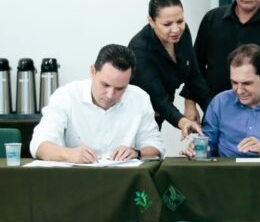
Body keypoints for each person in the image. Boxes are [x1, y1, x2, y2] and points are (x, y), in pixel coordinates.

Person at [30, 44, 164, 163]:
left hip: (124, 178)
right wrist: (68, 154)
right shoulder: (66, 95)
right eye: (105, 85)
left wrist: (137, 153)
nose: (110, 95)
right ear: (93, 71)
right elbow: (39, 145)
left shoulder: (140, 98)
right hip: (74, 178)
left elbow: (155, 147)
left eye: (120, 88)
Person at [185, 44, 260, 158]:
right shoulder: (220, 103)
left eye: (247, 83)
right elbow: (207, 146)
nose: (239, 91)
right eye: (234, 82)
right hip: (226, 174)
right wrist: (197, 150)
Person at [128, 0, 211, 133]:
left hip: (161, 111)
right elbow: (158, 98)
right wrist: (183, 121)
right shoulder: (139, 49)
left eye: (180, 21)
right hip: (137, 117)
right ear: (151, 21)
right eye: (167, 24)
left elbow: (194, 78)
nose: (176, 29)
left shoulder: (182, 34)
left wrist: (215, 113)